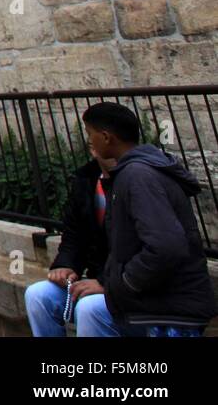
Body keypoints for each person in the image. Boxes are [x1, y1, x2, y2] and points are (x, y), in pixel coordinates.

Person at [84, 102, 217, 336]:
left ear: (106, 137)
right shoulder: (134, 171)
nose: (89, 142)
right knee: (93, 311)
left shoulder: (138, 176)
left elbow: (166, 246)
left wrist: (126, 283)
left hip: (168, 311)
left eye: (90, 134)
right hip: (154, 304)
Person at [25, 150, 116, 337]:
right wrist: (65, 264)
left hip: (129, 287)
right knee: (38, 295)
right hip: (98, 280)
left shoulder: (140, 181)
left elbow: (152, 251)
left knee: (89, 308)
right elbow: (74, 233)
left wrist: (107, 284)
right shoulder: (86, 180)